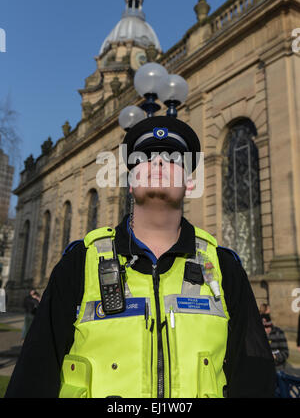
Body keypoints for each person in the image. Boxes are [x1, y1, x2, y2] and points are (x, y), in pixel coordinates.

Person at [5, 115, 276, 398]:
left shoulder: (224, 268)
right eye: (146, 158)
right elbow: (34, 375)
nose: (158, 162)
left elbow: (255, 376)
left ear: (190, 184)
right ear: (131, 184)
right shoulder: (79, 263)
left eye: (172, 158)